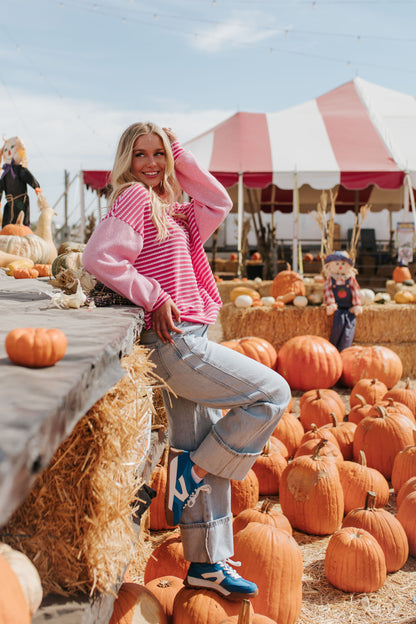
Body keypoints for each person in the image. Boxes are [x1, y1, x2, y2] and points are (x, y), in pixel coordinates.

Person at [82, 122, 291, 601]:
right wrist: (154, 295)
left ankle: (206, 563)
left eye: (160, 155)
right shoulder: (134, 197)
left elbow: (219, 201)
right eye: (141, 154)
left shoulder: (176, 211)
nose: (151, 164)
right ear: (126, 162)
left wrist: (181, 153)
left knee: (201, 438)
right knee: (273, 394)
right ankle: (193, 468)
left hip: (185, 337)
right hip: (176, 343)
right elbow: (100, 257)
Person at [323, 250, 362, 351]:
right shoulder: (331, 280)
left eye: (343, 263)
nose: (340, 266)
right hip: (337, 308)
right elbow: (328, 292)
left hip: (349, 308)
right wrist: (331, 303)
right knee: (338, 324)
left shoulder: (351, 279)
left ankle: (344, 348)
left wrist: (357, 305)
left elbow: (355, 292)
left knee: (349, 328)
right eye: (337, 263)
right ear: (330, 265)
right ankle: (334, 348)